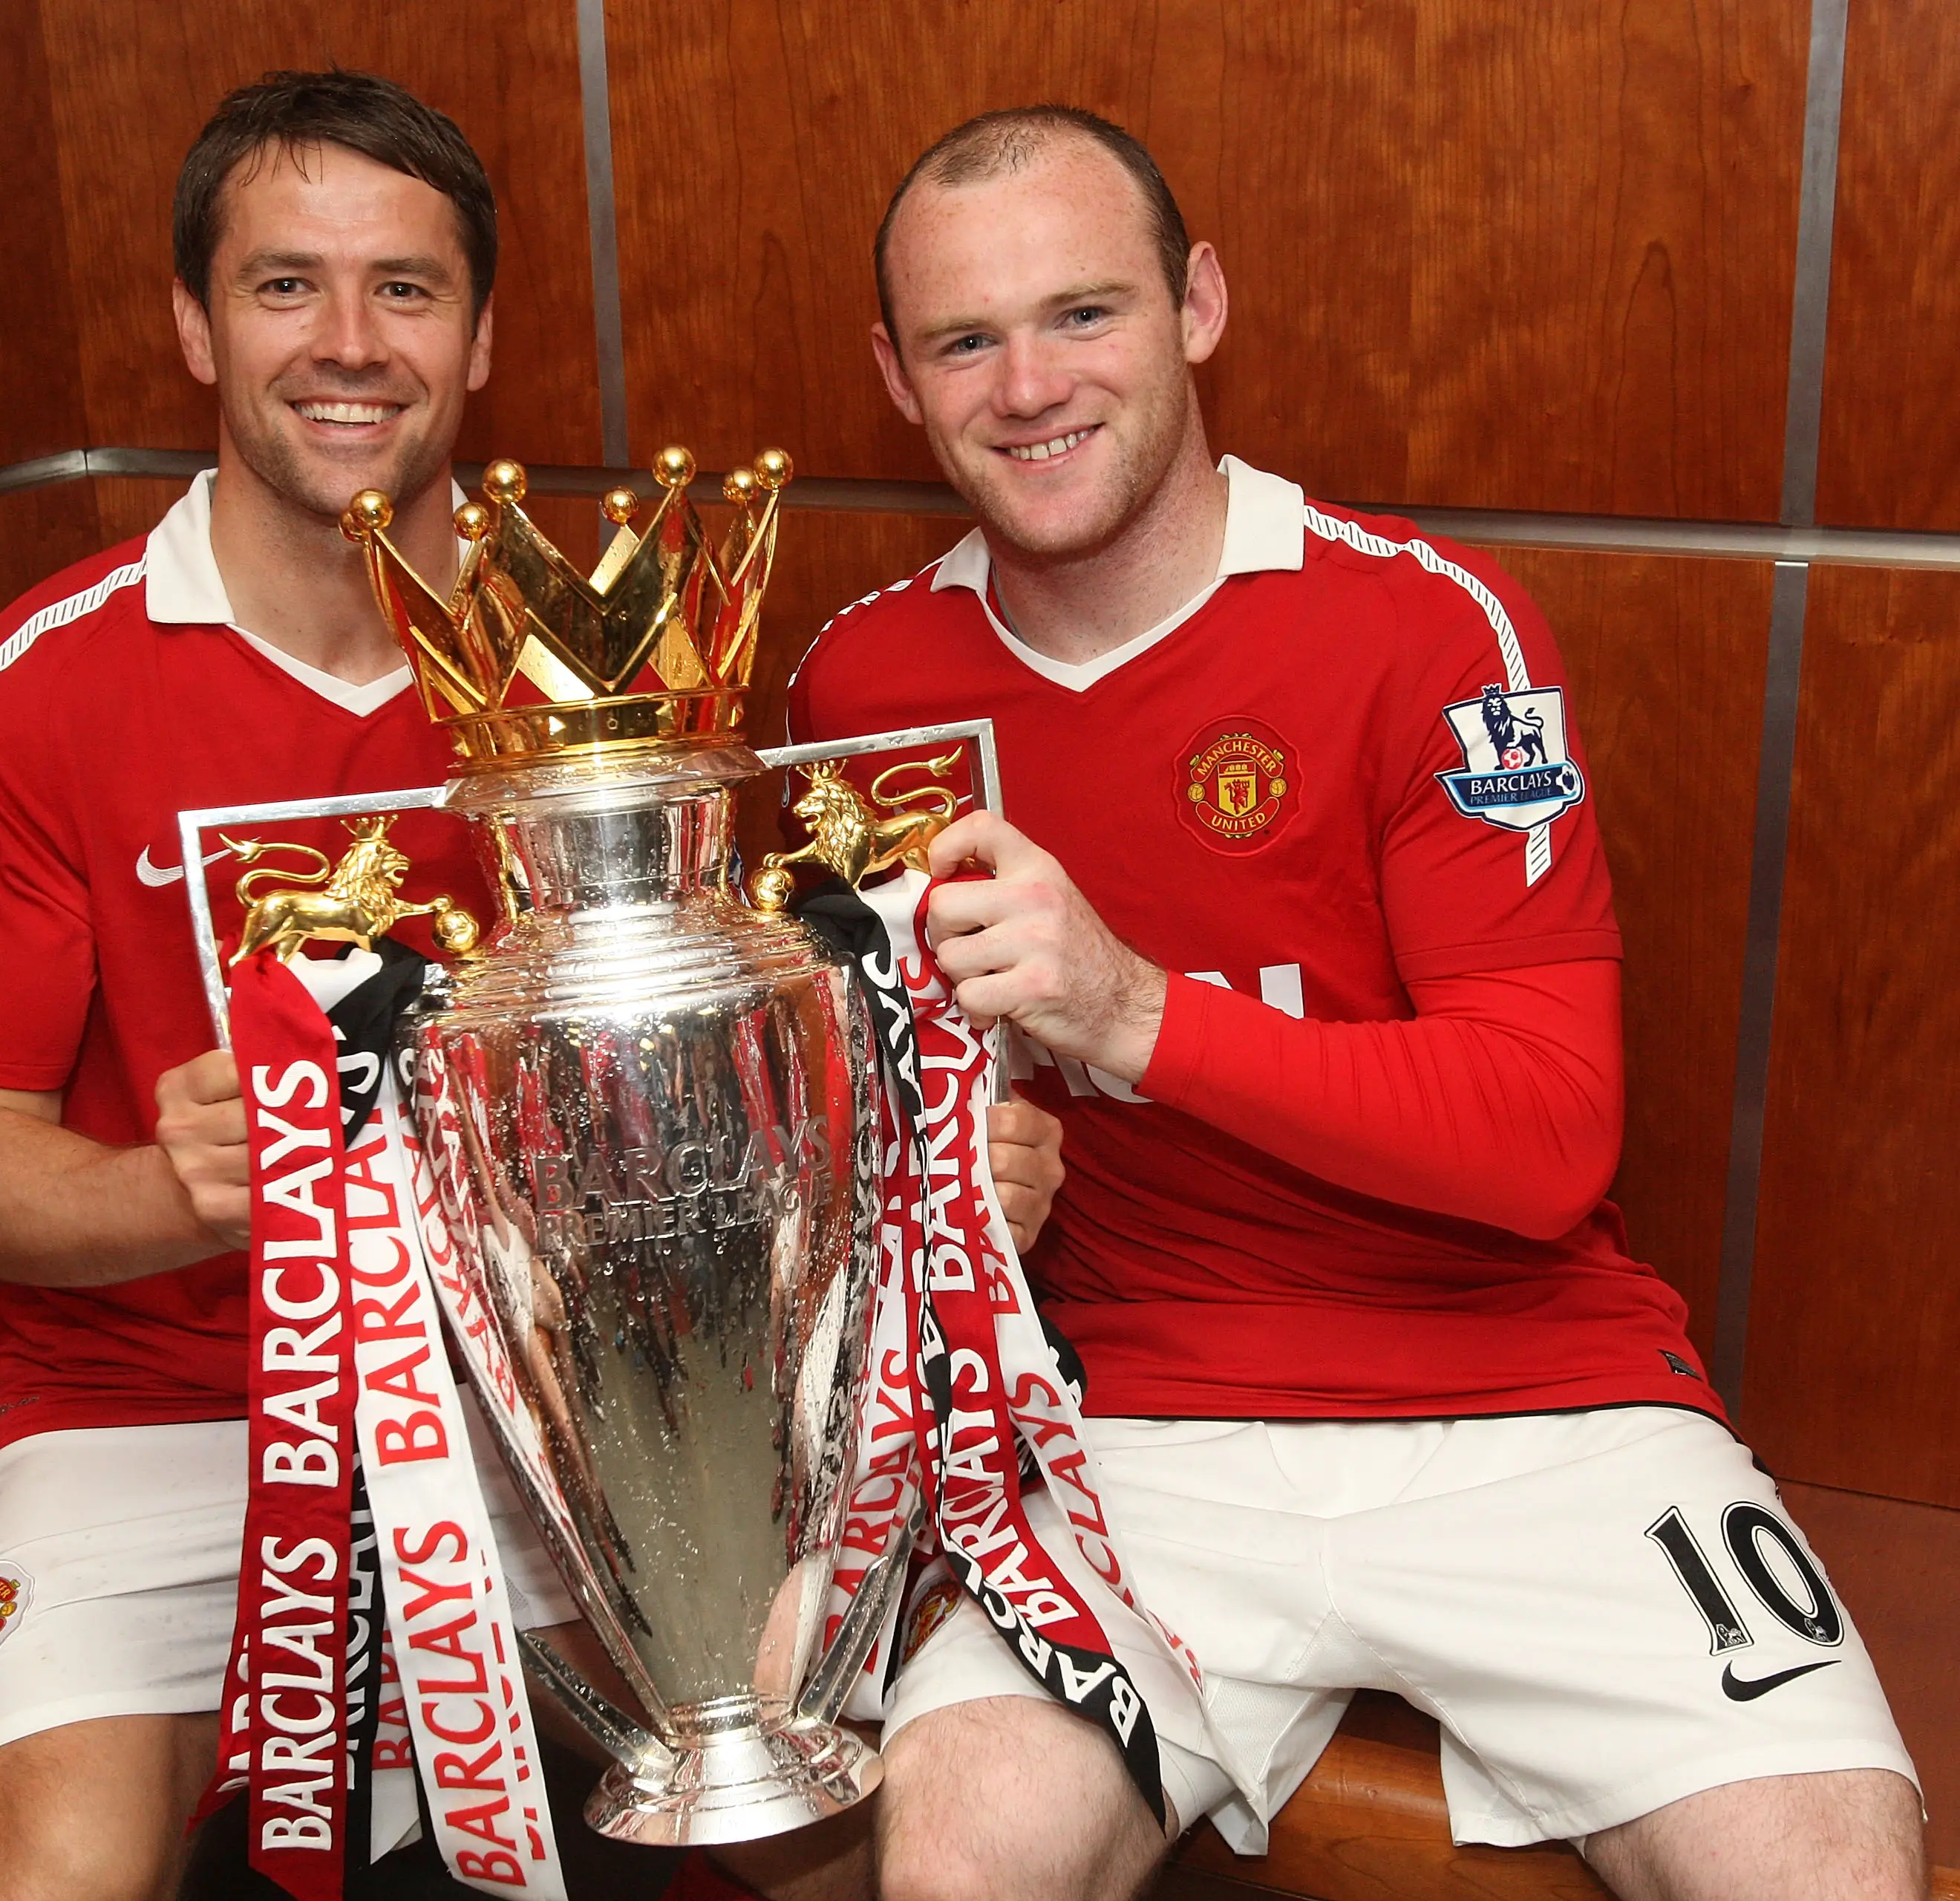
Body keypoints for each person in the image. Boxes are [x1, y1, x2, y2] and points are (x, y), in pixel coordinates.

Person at [782, 106, 1927, 1901]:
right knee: (958, 1855)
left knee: (1831, 1872)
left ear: (1199, 306)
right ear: (896, 375)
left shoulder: (1428, 627)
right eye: (964, 338)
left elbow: (1550, 1135)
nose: (1027, 384)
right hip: (1134, 1425)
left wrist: (1136, 1008)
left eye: (1084, 313)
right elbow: (879, 1107)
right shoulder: (859, 680)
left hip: (1538, 1397)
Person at [0, 69, 592, 1901]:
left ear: (484, 335)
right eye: (285, 286)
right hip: (151, 1423)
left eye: (405, 289)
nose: (349, 344)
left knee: (855, 1806)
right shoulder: (21, 697)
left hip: (539, 1405)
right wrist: (163, 1191)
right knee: (43, 1878)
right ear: (195, 323)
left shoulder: (598, 677)